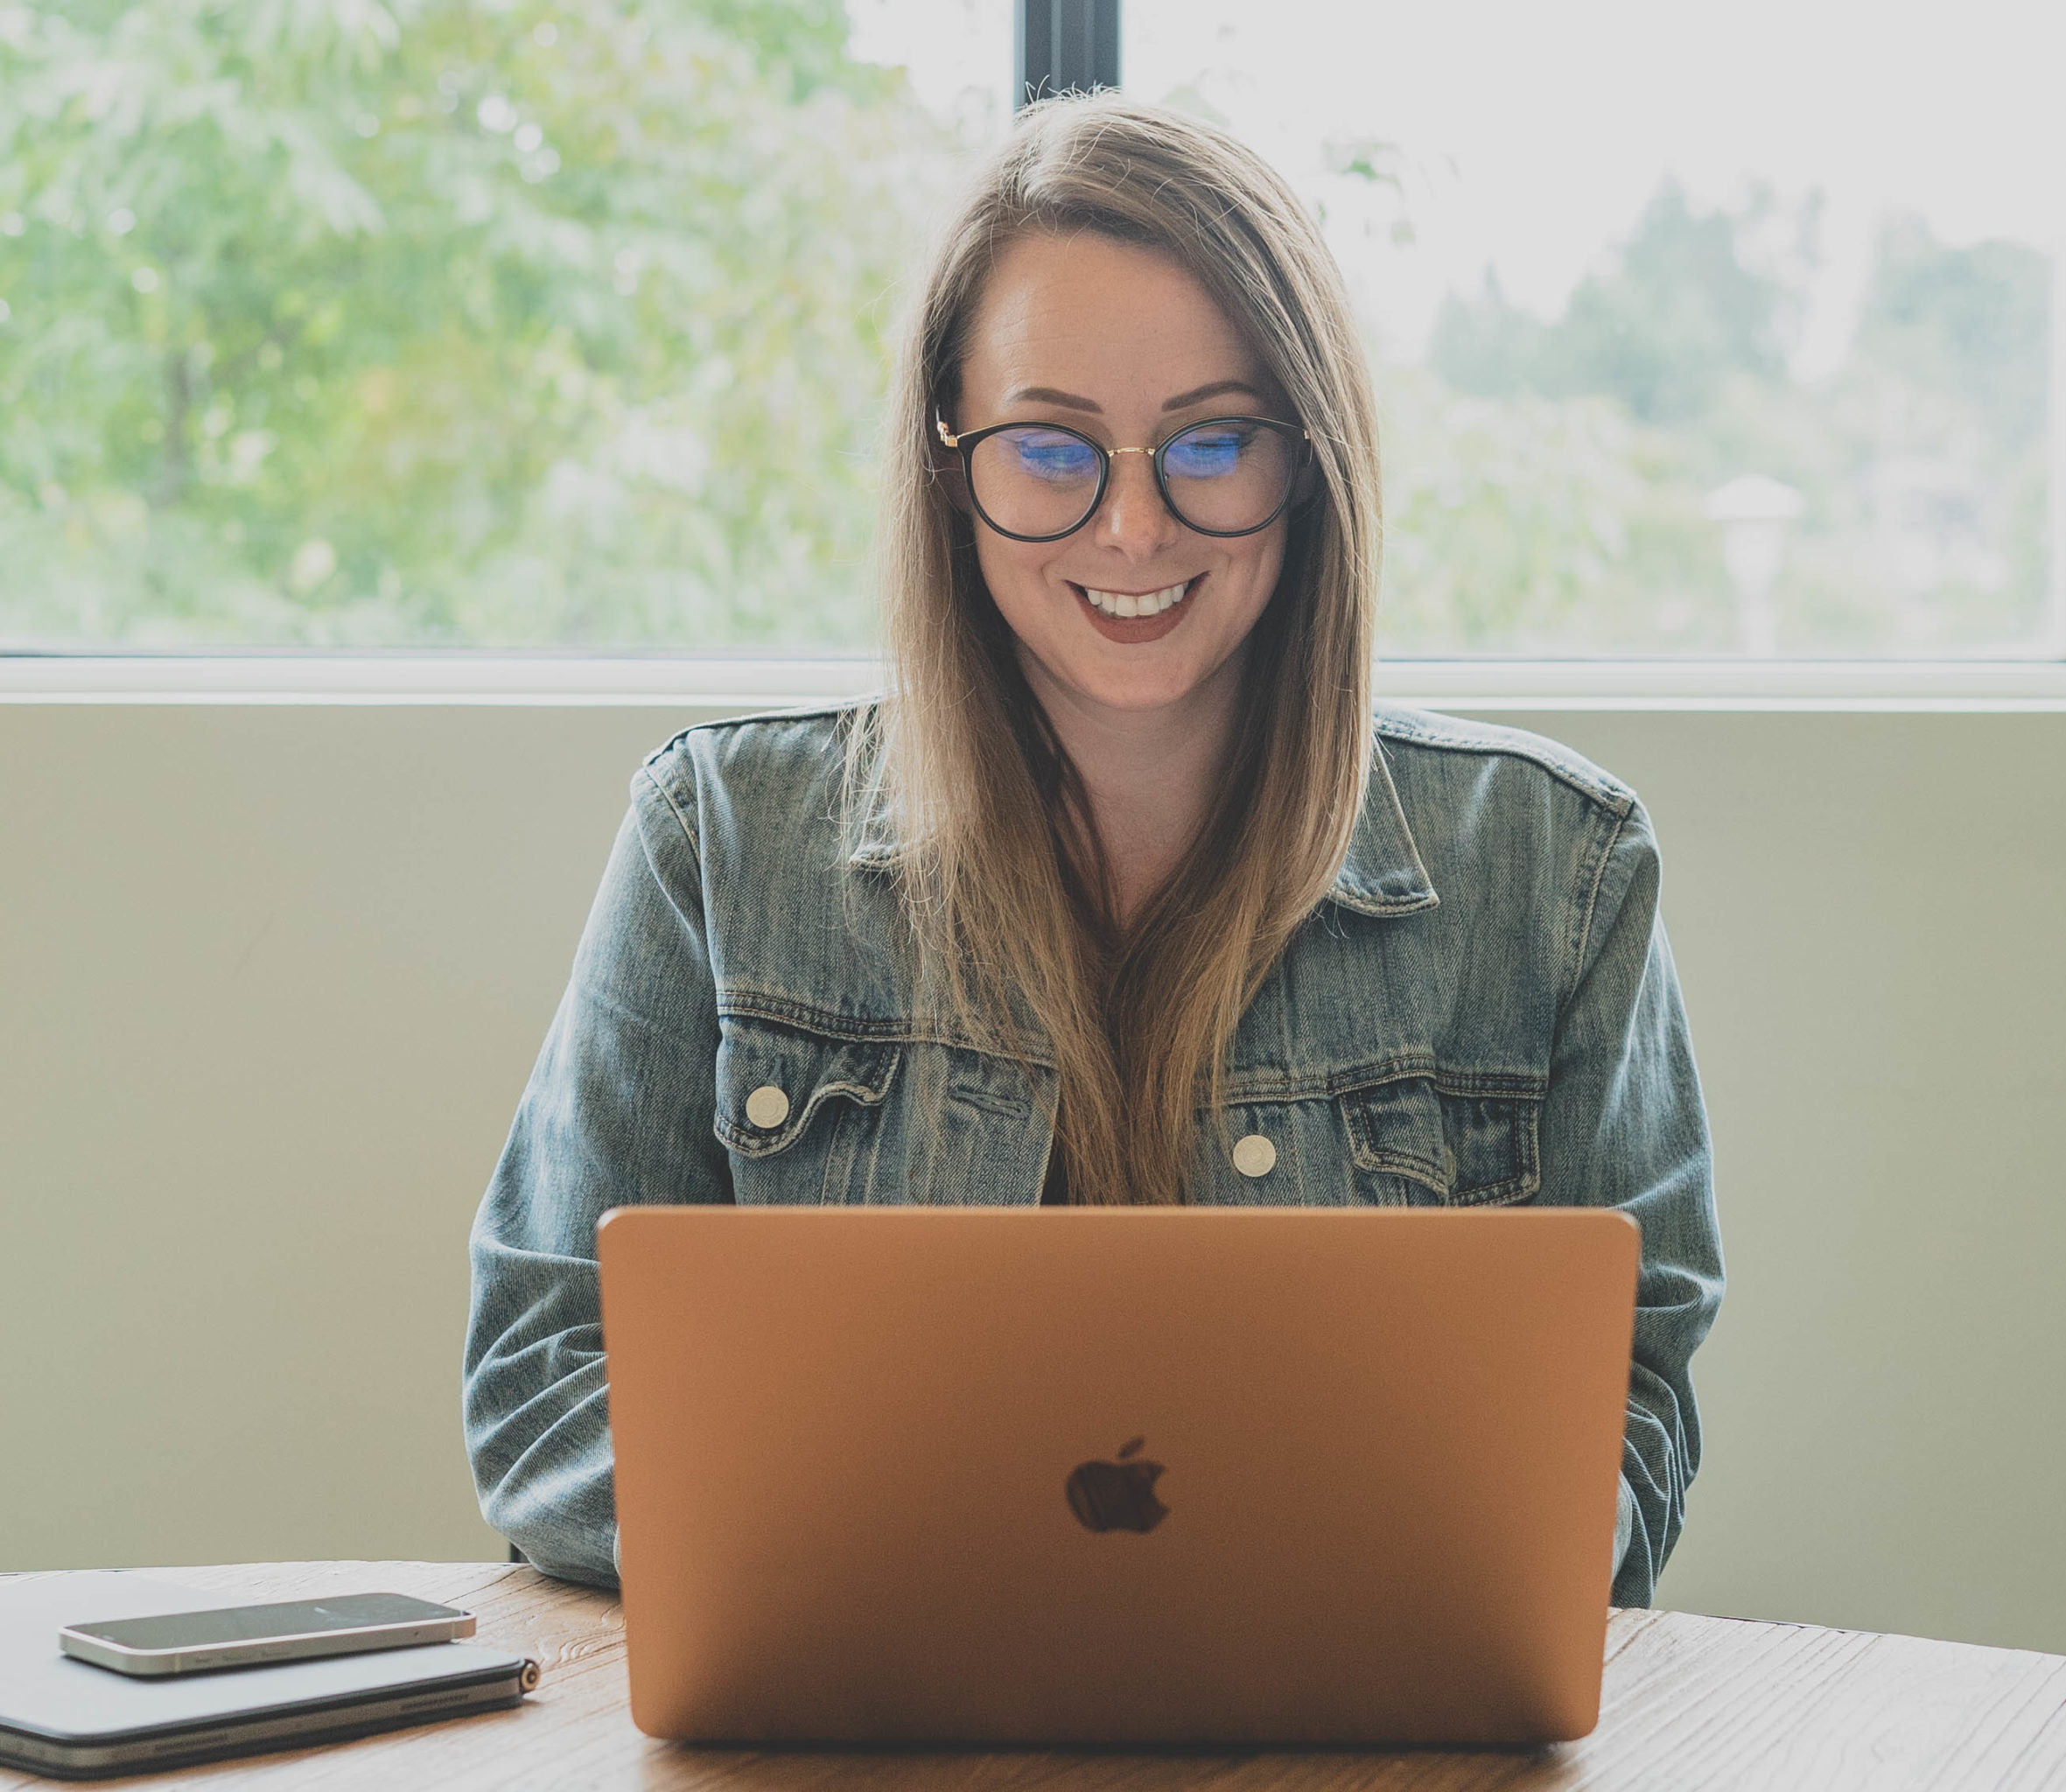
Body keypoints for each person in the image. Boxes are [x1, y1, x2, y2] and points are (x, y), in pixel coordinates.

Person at [464, 94, 1724, 1607]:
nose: (1134, 528)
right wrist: (989, 1572)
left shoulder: (1556, 867)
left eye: (1211, 442)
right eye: (1052, 449)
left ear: (1312, 461)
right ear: (949, 467)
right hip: (850, 1729)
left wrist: (1298, 1584)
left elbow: (1628, 1412)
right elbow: (542, 1388)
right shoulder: (718, 841)